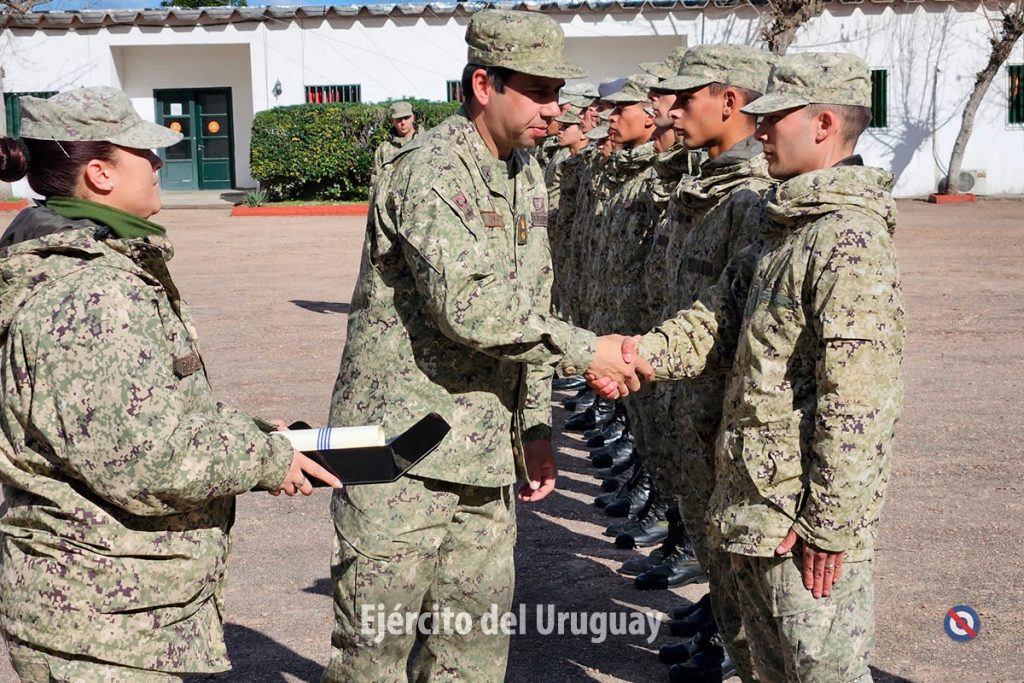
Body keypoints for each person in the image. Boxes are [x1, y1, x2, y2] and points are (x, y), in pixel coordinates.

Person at [324, 10, 648, 682]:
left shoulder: (525, 172)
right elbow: (470, 309)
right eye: (537, 91)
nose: (553, 108)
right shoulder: (429, 168)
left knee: (470, 657)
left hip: (483, 457)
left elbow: (532, 306)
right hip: (399, 455)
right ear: (483, 85)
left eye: (556, 92)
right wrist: (588, 350)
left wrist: (534, 428)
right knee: (373, 657)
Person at [0, 86, 341, 682]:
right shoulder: (91, 292)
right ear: (101, 174)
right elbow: (146, 457)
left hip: (114, 610)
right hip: (100, 623)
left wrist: (253, 432)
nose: (158, 163)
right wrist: (267, 457)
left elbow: (141, 410)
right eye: (143, 152)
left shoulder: (93, 265)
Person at [591, 52, 905, 683]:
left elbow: (859, 402)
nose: (760, 130)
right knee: (764, 667)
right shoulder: (785, 227)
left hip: (799, 525)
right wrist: (636, 355)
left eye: (775, 118)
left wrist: (830, 526)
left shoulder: (848, 239)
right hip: (753, 503)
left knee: (819, 671)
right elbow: (715, 317)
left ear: (823, 124)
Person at [371, 100, 417, 185]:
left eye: (406, 118)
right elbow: (375, 181)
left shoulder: (426, 142)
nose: (403, 122)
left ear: (412, 117)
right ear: (393, 121)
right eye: (399, 119)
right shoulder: (384, 149)